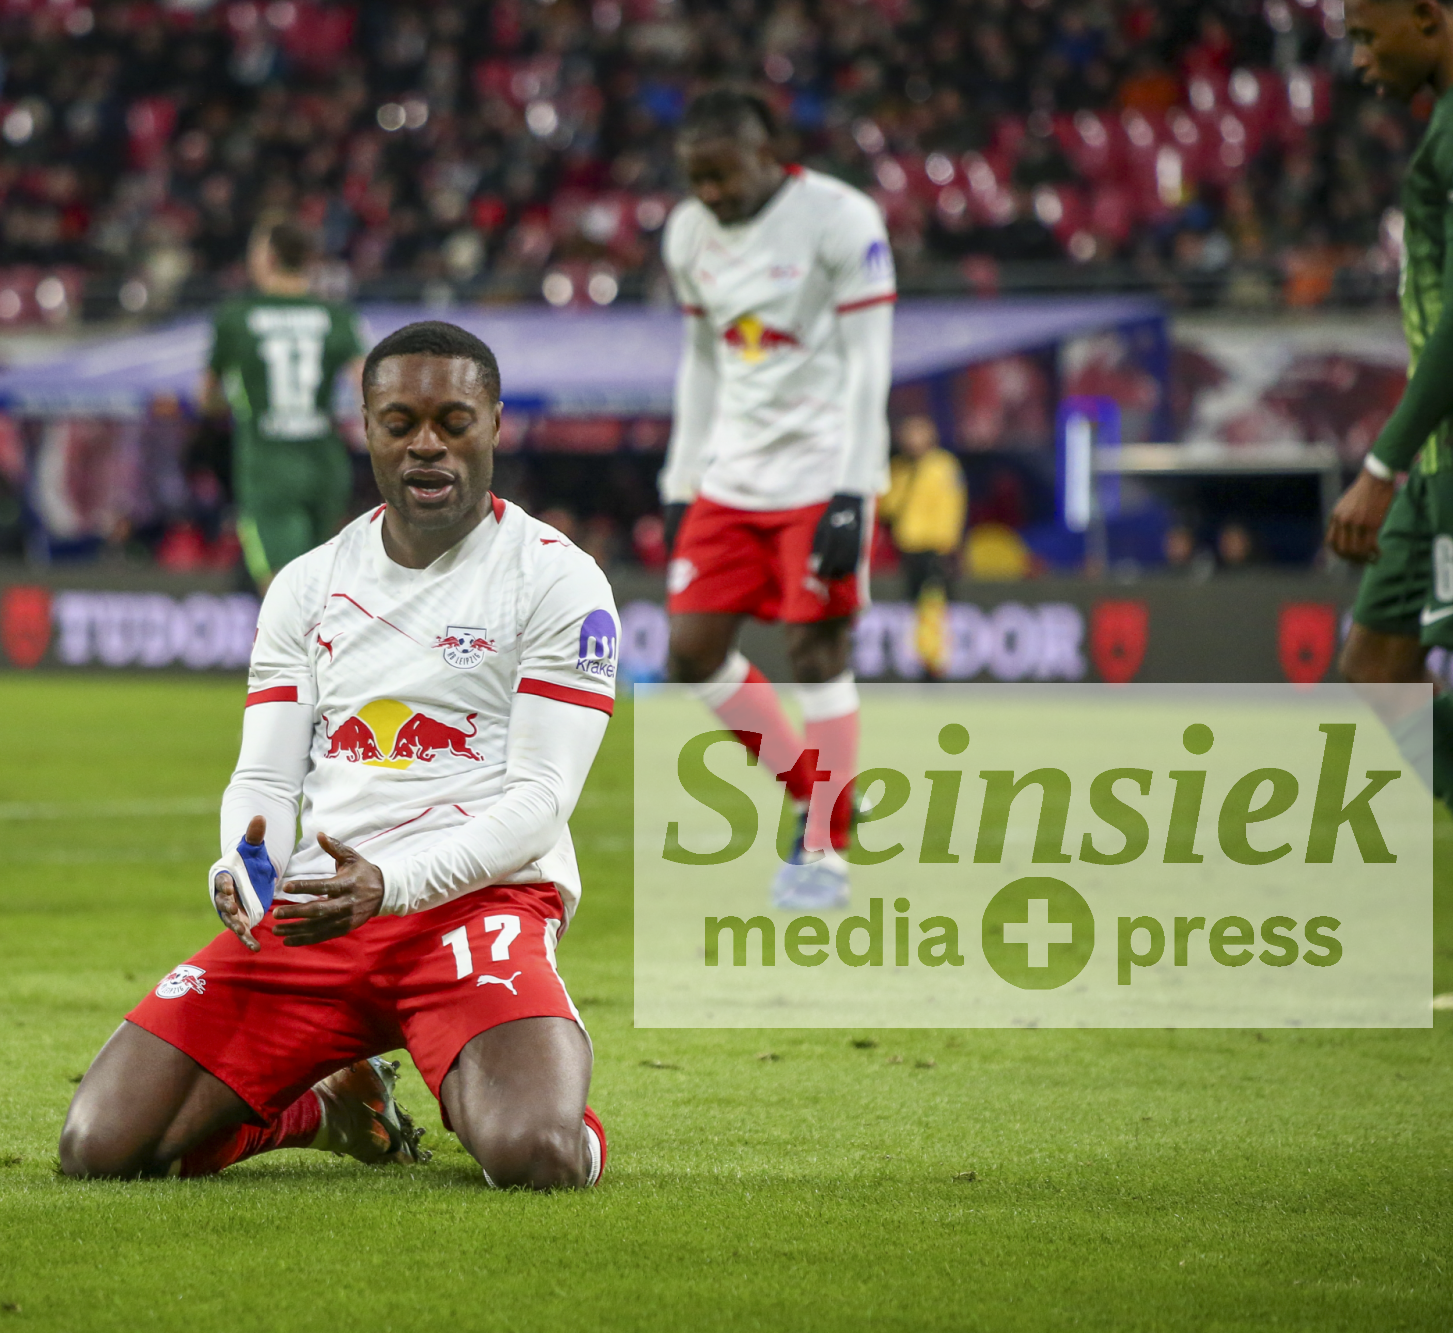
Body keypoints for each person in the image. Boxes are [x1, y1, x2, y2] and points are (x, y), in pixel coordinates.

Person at [60, 321, 614, 1189]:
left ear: (496, 425)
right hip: (322, 908)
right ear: (365, 428)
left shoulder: (557, 577)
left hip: (474, 905)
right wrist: (245, 863)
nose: (426, 444)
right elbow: (264, 777)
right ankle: (335, 1108)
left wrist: (391, 885)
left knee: (537, 1155)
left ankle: (539, 1110)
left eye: (453, 421)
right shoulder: (308, 583)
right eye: (400, 422)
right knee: (100, 1148)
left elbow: (540, 801)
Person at [658, 88, 896, 909]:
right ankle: (816, 794)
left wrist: (854, 490)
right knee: (690, 653)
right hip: (731, 477)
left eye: (722, 175)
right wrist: (679, 479)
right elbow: (701, 358)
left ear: (768, 155)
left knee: (817, 653)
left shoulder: (841, 219)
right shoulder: (687, 233)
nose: (710, 193)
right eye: (697, 178)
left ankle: (827, 852)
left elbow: (870, 362)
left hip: (823, 472)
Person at [1327, 0, 1453, 809]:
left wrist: (1380, 465)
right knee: (1377, 663)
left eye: (1370, 38)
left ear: (1427, 18)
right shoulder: (1440, 129)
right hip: (1434, 462)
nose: (1361, 61)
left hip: (1439, 458)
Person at [200, 219, 366, 593]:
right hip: (325, 465)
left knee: (280, 590)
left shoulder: (236, 317)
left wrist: (235, 404)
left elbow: (206, 398)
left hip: (267, 467)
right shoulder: (336, 316)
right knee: (321, 586)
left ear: (268, 258)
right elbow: (368, 384)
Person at [880, 416, 966, 680]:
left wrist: (947, 545)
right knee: (914, 605)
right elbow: (887, 507)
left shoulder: (943, 466)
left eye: (919, 433)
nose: (914, 440)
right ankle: (920, 657)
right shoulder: (900, 468)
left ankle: (934, 663)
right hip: (908, 548)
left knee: (933, 605)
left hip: (935, 548)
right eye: (909, 434)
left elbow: (952, 507)